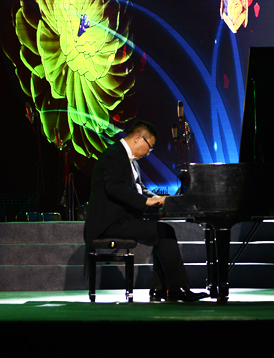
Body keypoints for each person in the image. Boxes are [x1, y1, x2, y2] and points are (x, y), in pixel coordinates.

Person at [84, 119, 205, 302]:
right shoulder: (114, 155)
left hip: (121, 220)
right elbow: (114, 188)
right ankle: (175, 288)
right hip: (109, 223)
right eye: (149, 148)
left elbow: (139, 188)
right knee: (164, 232)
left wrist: (158, 198)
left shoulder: (130, 160)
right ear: (138, 138)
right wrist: (146, 201)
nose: (148, 153)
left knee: (162, 232)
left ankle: (160, 289)